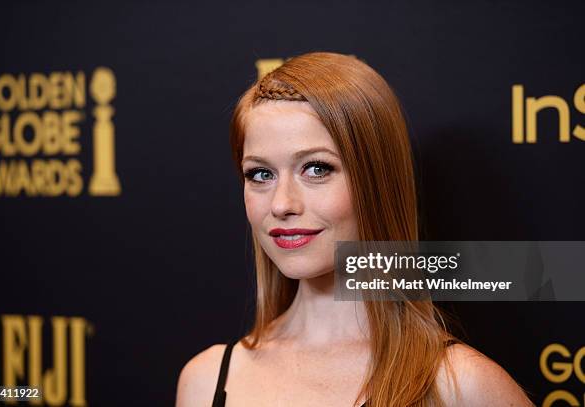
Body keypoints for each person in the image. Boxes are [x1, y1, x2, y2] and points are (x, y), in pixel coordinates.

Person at [175, 52, 534, 407]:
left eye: (316, 169)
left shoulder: (459, 386)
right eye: (261, 174)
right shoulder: (205, 381)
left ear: (376, 180)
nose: (281, 204)